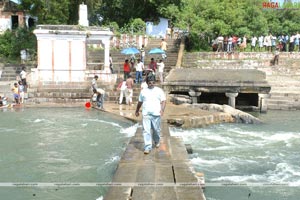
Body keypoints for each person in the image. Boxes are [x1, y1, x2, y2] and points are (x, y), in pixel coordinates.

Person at [135, 74, 166, 154]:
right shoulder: (143, 91)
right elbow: (140, 102)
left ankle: (157, 141)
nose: (151, 84)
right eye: (149, 83)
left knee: (156, 130)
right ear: (147, 83)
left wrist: (162, 110)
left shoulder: (159, 90)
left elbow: (163, 101)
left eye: (152, 82)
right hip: (146, 114)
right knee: (146, 131)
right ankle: (148, 147)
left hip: (156, 113)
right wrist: (137, 110)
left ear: (155, 82)